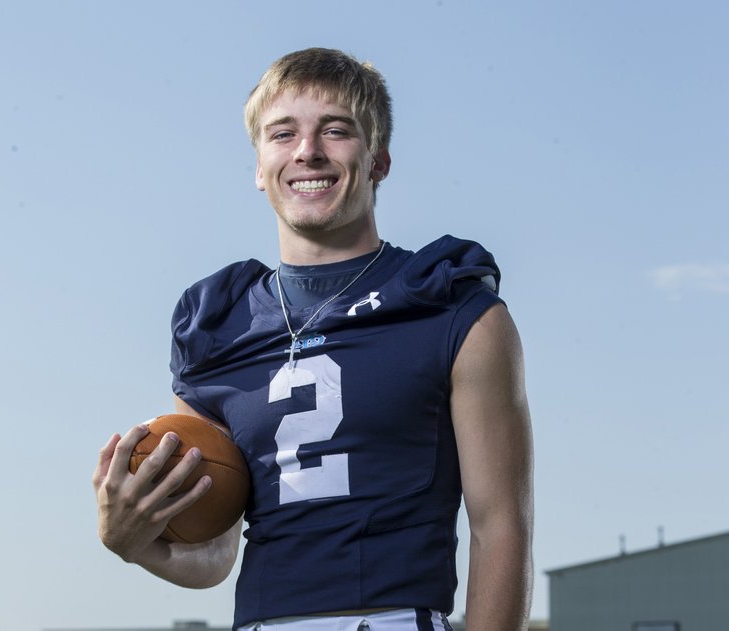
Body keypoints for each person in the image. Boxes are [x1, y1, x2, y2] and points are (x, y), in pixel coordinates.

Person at [93, 47, 533, 631]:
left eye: (335, 130)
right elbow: (217, 552)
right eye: (282, 134)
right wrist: (135, 541)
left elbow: (500, 525)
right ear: (258, 164)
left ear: (378, 159)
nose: (307, 151)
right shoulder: (216, 324)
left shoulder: (449, 304)